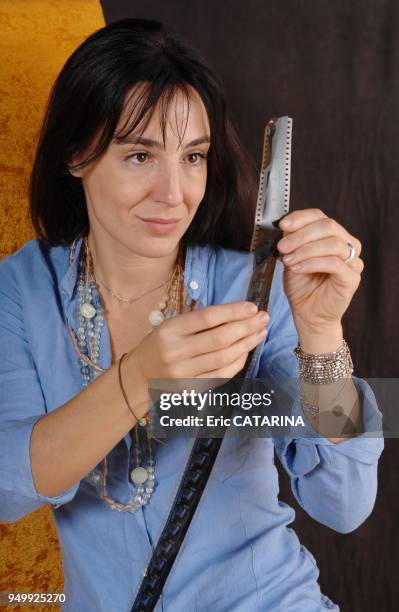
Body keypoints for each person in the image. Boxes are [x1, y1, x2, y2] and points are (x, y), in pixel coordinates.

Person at [0, 18, 383, 612]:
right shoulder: (21, 288)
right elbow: (8, 486)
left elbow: (346, 501)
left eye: (194, 156)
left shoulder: (252, 288)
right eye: (139, 155)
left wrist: (321, 335)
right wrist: (138, 380)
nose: (174, 192)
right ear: (77, 155)